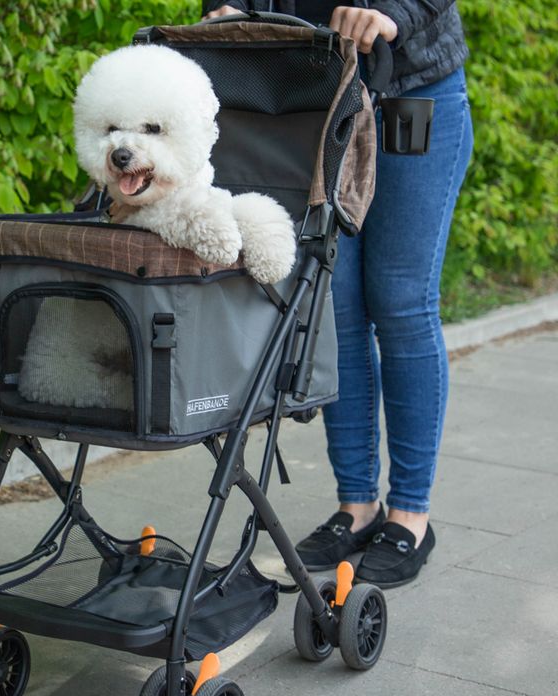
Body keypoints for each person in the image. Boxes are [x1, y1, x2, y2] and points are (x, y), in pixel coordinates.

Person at [201, 0, 473, 587]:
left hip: (411, 91)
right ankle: (358, 506)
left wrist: (391, 12)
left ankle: (410, 515)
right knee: (337, 310)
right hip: (317, 98)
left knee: (401, 304)